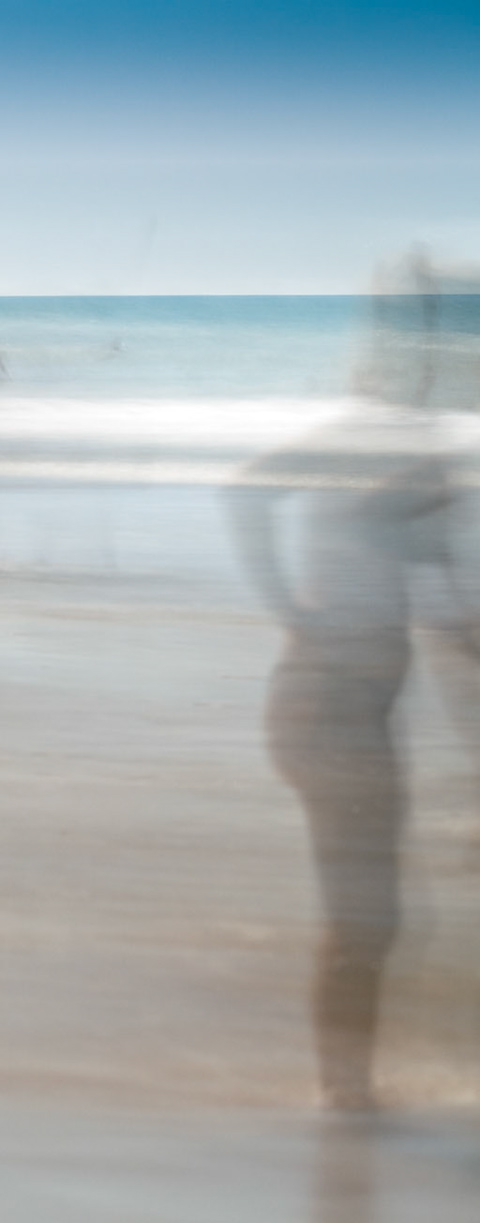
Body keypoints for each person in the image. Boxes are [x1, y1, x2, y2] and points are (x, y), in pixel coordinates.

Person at [227, 408, 460, 1110]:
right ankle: (345, 1099)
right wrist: (292, 613)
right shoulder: (367, 446)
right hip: (328, 708)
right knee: (369, 918)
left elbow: (455, 622)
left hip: (352, 710)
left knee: (381, 920)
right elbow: (245, 490)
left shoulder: (429, 466)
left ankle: (351, 1091)